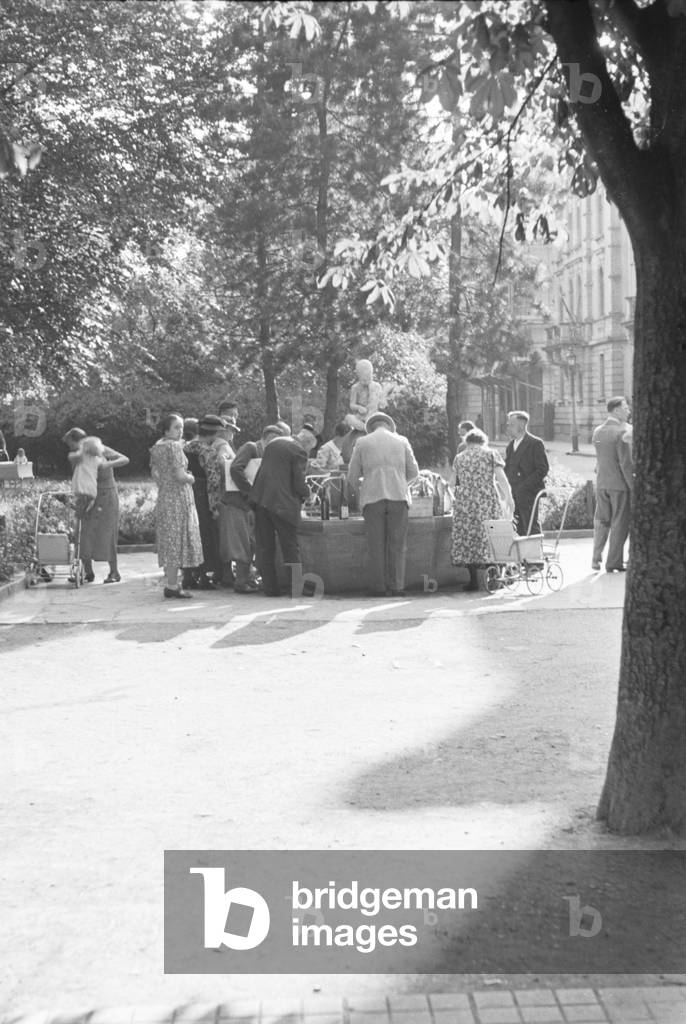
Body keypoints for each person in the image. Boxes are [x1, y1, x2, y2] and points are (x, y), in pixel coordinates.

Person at [347, 411, 420, 597]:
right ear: (389, 425)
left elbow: (352, 476)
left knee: (375, 544)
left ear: (371, 427)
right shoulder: (402, 440)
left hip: (372, 498)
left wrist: (354, 495)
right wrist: (402, 483)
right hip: (399, 498)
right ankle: (397, 586)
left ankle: (378, 588)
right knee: (397, 544)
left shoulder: (362, 442)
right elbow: (414, 472)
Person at [249, 426, 317, 596]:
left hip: (261, 499)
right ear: (307, 444)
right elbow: (299, 482)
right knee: (290, 546)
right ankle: (296, 587)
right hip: (283, 504)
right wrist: (309, 494)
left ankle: (270, 588)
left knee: (265, 546)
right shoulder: (299, 451)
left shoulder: (275, 442)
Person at [62, 426, 129, 584]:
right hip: (88, 496)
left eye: (71, 443)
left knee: (107, 533)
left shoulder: (99, 449)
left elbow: (125, 459)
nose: (70, 448)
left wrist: (107, 465)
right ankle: (88, 572)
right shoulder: (79, 456)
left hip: (106, 495)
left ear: (79, 441)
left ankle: (114, 572)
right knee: (84, 533)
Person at [451, 428, 515, 592]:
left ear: (467, 442)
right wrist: (509, 497)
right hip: (486, 499)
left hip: (465, 502)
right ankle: (495, 578)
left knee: (468, 537)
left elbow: (452, 482)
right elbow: (501, 478)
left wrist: (454, 500)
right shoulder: (491, 454)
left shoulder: (459, 457)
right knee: (492, 535)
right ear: (483, 441)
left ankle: (473, 581)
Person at [150, 413, 203, 598]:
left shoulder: (157, 447)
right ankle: (172, 586)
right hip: (179, 497)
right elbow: (181, 476)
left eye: (181, 427)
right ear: (166, 430)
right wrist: (191, 477)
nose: (180, 431)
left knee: (170, 539)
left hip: (165, 496)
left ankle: (172, 582)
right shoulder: (174, 447)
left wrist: (166, 483)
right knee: (177, 539)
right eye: (176, 428)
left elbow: (155, 474)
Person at [591, 396, 633, 573]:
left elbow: (600, 459)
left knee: (601, 521)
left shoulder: (598, 431)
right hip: (619, 485)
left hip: (602, 483)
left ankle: (595, 557)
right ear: (616, 410)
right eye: (625, 407)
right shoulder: (623, 432)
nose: (628, 410)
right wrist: (633, 486)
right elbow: (625, 463)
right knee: (619, 524)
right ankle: (613, 562)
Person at [183, 414, 224, 588]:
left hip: (186, 492)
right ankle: (204, 576)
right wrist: (214, 506)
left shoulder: (186, 447)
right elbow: (213, 480)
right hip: (202, 494)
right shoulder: (208, 451)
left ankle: (187, 575)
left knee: (188, 534)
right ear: (214, 433)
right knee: (205, 534)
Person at [504, 410, 549, 535]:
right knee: (517, 527)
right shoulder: (511, 445)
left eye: (511, 425)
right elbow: (507, 468)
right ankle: (522, 554)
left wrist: (524, 486)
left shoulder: (535, 443)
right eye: (508, 425)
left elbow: (542, 469)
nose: (508, 427)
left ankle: (535, 554)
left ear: (522, 425)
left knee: (530, 525)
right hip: (513, 493)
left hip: (529, 493)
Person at [69, 436, 106, 515]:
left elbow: (71, 457)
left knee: (78, 513)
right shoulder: (98, 460)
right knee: (83, 510)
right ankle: (83, 513)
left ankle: (78, 517)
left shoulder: (82, 457)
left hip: (82, 489)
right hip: (91, 490)